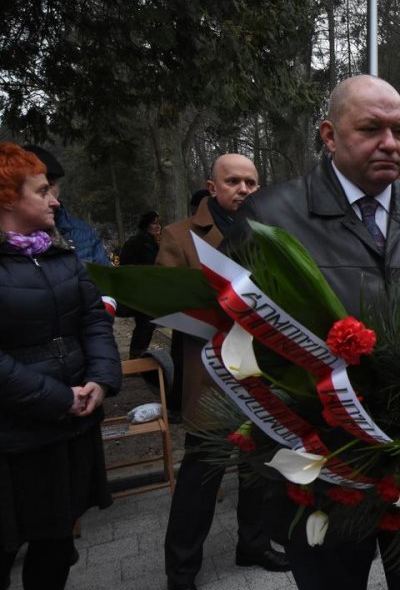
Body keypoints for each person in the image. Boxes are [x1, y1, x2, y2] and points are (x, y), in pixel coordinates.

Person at [224, 75, 400, 590]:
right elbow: (240, 336)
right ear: (328, 135)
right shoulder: (270, 218)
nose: (390, 143)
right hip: (327, 467)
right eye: (371, 128)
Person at [157, 154, 288, 590]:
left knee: (259, 469)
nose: (245, 189)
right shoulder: (179, 237)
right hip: (211, 377)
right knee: (201, 475)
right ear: (212, 187)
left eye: (252, 181)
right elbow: (163, 303)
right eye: (234, 181)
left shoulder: (271, 233)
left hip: (262, 372)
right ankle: (181, 569)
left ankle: (253, 543)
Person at [0, 142, 121, 590]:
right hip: (14, 439)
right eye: (43, 190)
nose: (55, 199)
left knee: (55, 548)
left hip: (67, 431)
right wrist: (56, 398)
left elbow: (93, 320)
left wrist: (100, 381)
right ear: (8, 197)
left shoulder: (62, 255)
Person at [23, 145, 111, 265]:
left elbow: (107, 280)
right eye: (40, 190)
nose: (50, 198)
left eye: (51, 185)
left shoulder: (84, 233)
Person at [119, 211, 161, 358]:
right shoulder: (135, 243)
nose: (158, 226)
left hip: (150, 290)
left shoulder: (154, 243)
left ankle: (138, 354)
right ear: (146, 224)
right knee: (146, 322)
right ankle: (136, 356)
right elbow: (126, 268)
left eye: (158, 223)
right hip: (139, 291)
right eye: (154, 222)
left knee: (148, 323)